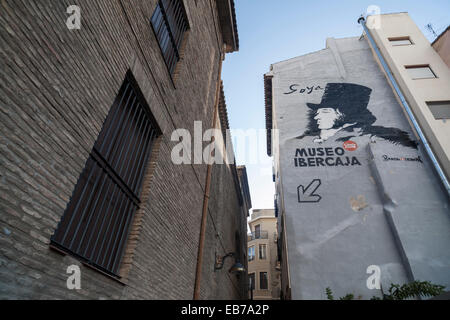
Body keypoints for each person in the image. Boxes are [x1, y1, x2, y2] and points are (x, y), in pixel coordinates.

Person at [296, 83, 418, 149]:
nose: (317, 117)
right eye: (317, 112)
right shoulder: (308, 138)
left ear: (345, 115)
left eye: (325, 111)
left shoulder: (376, 137)